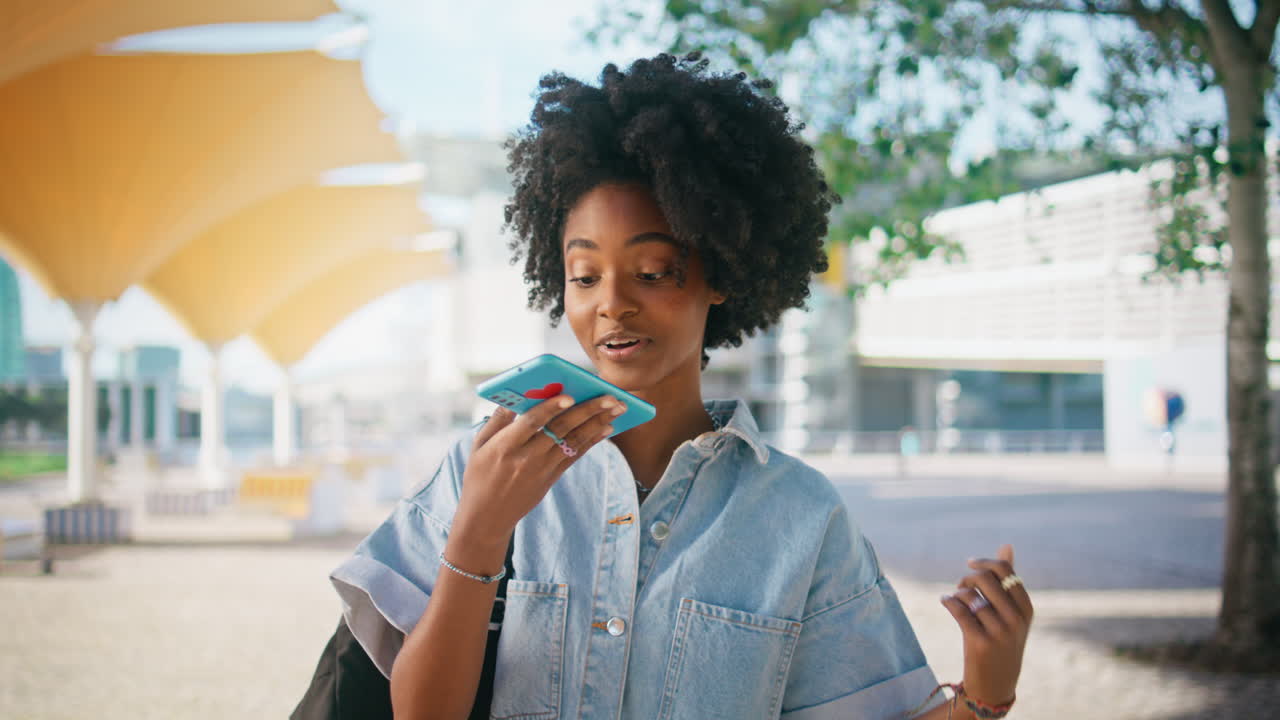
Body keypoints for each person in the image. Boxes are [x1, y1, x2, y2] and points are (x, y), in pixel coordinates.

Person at [293, 53, 1032, 720]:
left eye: (652, 272)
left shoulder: (801, 518)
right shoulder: (482, 467)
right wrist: (480, 532)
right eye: (584, 275)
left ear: (723, 272)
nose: (611, 302)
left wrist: (983, 694)